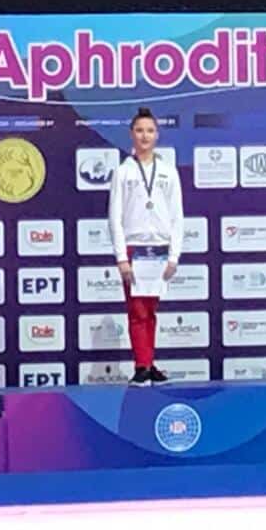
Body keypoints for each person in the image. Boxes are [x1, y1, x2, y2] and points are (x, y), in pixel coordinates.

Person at [108, 107, 184, 386]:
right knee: (137, 310)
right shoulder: (123, 172)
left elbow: (177, 216)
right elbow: (114, 217)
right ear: (131, 134)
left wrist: (174, 256)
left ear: (157, 135)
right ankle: (141, 366)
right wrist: (121, 257)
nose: (145, 136)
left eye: (150, 131)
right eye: (139, 130)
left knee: (150, 310)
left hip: (160, 250)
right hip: (134, 250)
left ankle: (149, 364)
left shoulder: (168, 172)